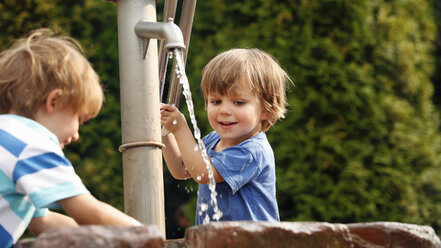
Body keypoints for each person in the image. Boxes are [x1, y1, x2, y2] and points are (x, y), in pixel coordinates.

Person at [0, 28, 140, 248]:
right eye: (79, 118)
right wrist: (146, 236)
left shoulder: (8, 138)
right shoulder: (30, 143)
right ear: (54, 101)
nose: (76, 135)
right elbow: (91, 213)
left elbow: (43, 222)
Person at [161, 48, 292, 225]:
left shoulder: (252, 150)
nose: (224, 110)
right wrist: (164, 132)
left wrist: (180, 130)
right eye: (216, 101)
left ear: (266, 110)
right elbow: (181, 169)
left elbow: (203, 174)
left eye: (238, 102)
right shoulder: (213, 140)